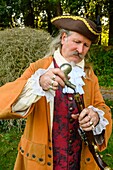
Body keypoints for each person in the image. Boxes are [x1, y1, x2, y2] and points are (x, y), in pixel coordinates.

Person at [0, 15, 112, 170]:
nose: (81, 50)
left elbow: (102, 106)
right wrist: (38, 83)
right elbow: (4, 102)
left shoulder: (89, 75)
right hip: (41, 161)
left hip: (80, 161)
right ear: (64, 38)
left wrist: (96, 116)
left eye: (86, 45)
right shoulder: (39, 68)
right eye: (77, 42)